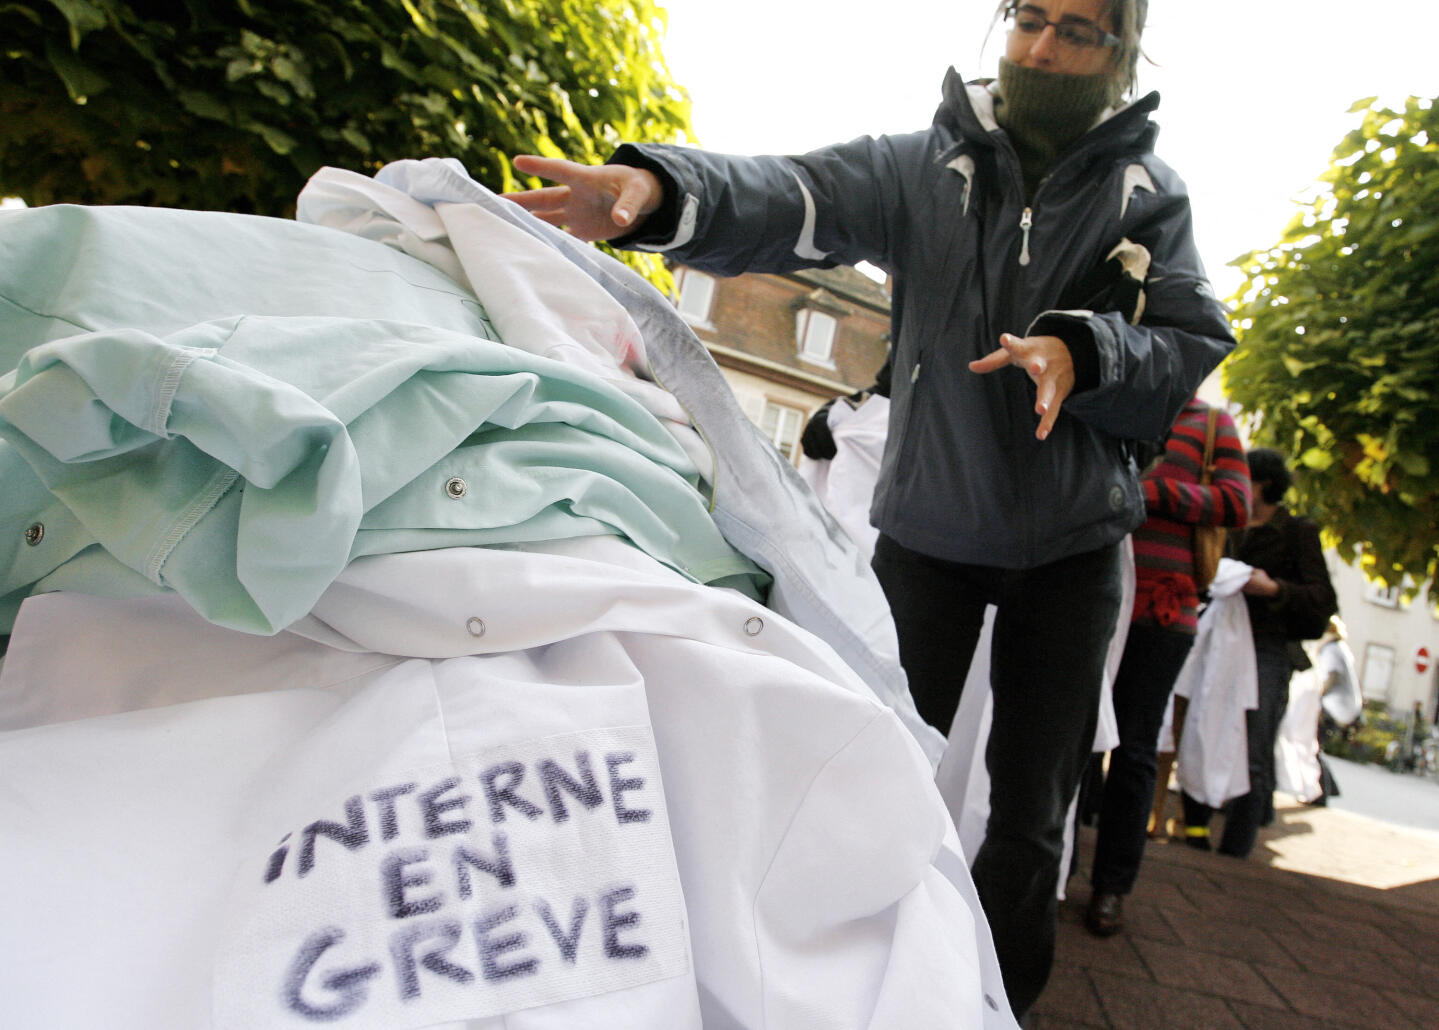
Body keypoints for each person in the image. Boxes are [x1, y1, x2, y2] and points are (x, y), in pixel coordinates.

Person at [504, 1, 1235, 1016]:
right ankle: (854, 992)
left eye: (1077, 30)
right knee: (874, 770)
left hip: (1072, 547)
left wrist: (1085, 348)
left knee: (1028, 819)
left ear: (1121, 55)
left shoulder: (1146, 195)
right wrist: (657, 189)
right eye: (1027, 17)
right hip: (928, 531)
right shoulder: (921, 166)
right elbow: (787, 191)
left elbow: (1189, 338)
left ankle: (995, 1005)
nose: (1041, 47)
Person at [1084, 397, 1250, 936]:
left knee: (1133, 751)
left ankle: (1111, 887)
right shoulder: (1108, 401)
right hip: (1092, 596)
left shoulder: (1209, 423)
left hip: (1163, 608)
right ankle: (1050, 869)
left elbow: (1236, 501)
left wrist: (1154, 493)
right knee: (1074, 738)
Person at [1181, 447, 1337, 857]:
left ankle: (1236, 852)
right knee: (1198, 727)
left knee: (1252, 747)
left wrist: (1273, 589)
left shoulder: (1296, 532)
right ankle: (1194, 829)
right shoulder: (1226, 523)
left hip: (1266, 647)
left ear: (1263, 484)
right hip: (1212, 639)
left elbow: (1321, 599)